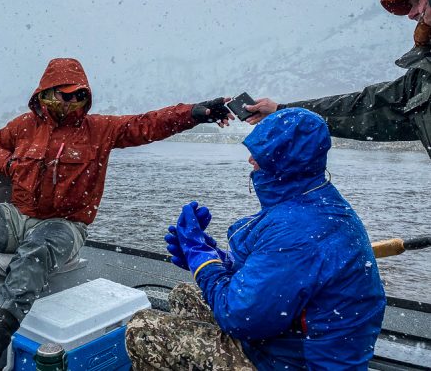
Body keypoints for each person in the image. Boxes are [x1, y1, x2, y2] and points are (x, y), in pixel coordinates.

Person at [0, 57, 234, 371]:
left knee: (34, 254)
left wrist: (196, 113)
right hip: (18, 215)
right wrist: (7, 163)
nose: (72, 103)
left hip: (65, 226)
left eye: (79, 96)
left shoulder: (99, 130)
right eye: (64, 95)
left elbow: (148, 124)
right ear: (45, 94)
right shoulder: (23, 126)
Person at [126, 108, 386, 370]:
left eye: (261, 153)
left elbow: (241, 318)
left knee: (143, 329)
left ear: (284, 160)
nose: (251, 159)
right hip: (288, 340)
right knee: (185, 295)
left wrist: (203, 262)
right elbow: (280, 276)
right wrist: (215, 257)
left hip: (299, 363)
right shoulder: (315, 202)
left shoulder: (298, 233)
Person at [244, 0, 431, 158]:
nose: (411, 14)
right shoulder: (420, 79)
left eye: (416, 1)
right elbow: (363, 108)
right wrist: (285, 112)